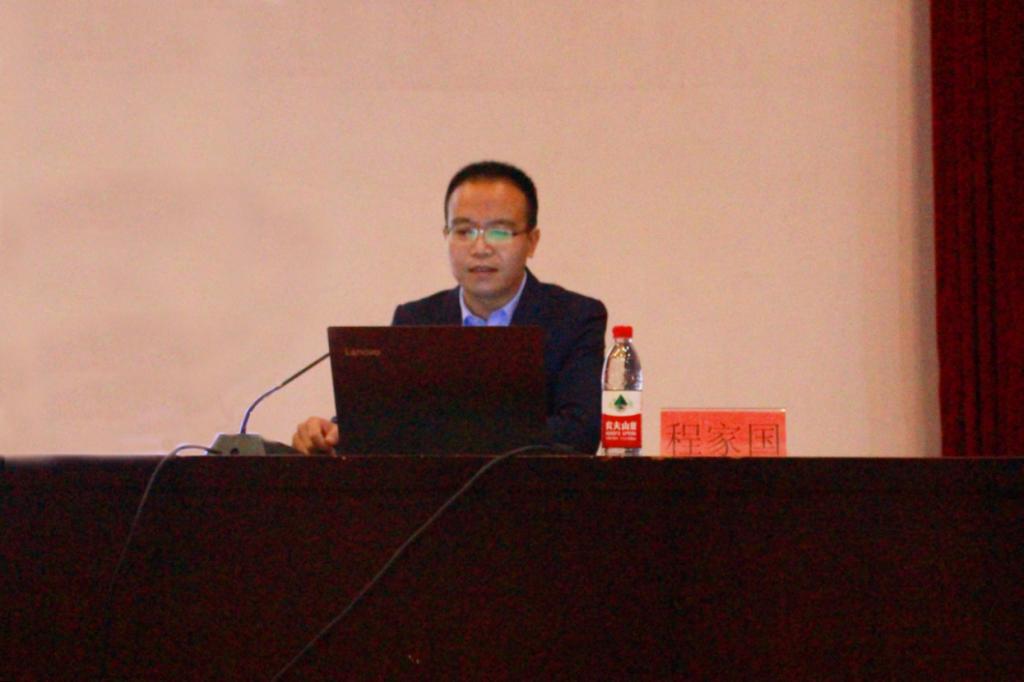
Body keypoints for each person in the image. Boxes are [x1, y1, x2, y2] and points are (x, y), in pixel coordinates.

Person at [292, 161, 607, 454]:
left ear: (532, 241)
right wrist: (331, 432)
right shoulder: (416, 320)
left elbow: (580, 431)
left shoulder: (574, 318)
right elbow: (380, 418)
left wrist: (450, 432)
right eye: (464, 231)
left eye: (499, 231)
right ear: (446, 236)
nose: (480, 248)